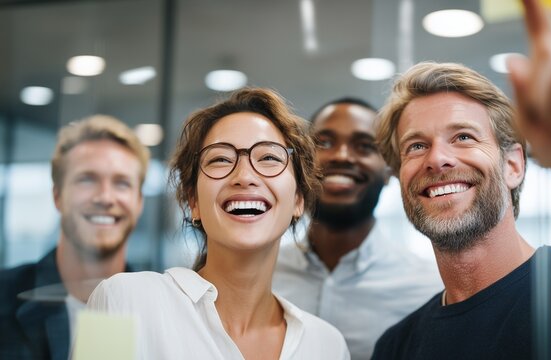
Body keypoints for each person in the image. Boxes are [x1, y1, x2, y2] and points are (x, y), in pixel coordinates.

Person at [372, 0, 551, 358]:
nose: (437, 159)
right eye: (417, 145)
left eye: (463, 137)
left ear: (514, 165)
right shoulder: (397, 346)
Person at [86, 88, 349, 359]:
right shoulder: (119, 300)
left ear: (298, 200)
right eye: (220, 159)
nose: (244, 176)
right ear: (194, 202)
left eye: (269, 158)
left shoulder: (328, 345)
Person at [272, 97, 442, 359]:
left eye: (364, 146)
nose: (341, 156)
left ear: (389, 171)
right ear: (302, 164)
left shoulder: (429, 288)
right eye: (324, 143)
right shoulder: (262, 276)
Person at [0, 115, 149, 360]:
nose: (105, 197)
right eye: (87, 179)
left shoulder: (163, 308)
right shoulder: (4, 295)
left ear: (139, 202)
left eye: (122, 183)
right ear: (57, 196)